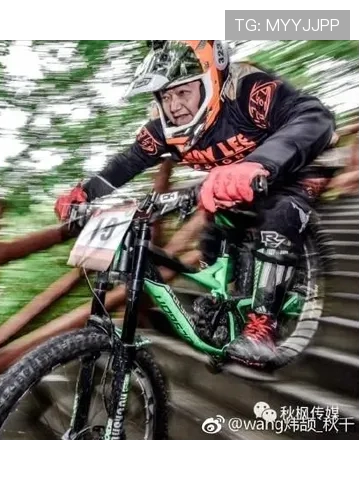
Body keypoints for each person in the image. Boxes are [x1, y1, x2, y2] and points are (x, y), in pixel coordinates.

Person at [54, 40, 337, 368]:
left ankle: (263, 326)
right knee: (213, 232)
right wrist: (84, 193)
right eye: (165, 96)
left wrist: (258, 163)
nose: (173, 106)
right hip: (233, 184)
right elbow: (128, 161)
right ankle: (228, 309)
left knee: (283, 212)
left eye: (182, 92)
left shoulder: (247, 91)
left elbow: (314, 117)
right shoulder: (164, 129)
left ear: (210, 82)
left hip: (292, 167)